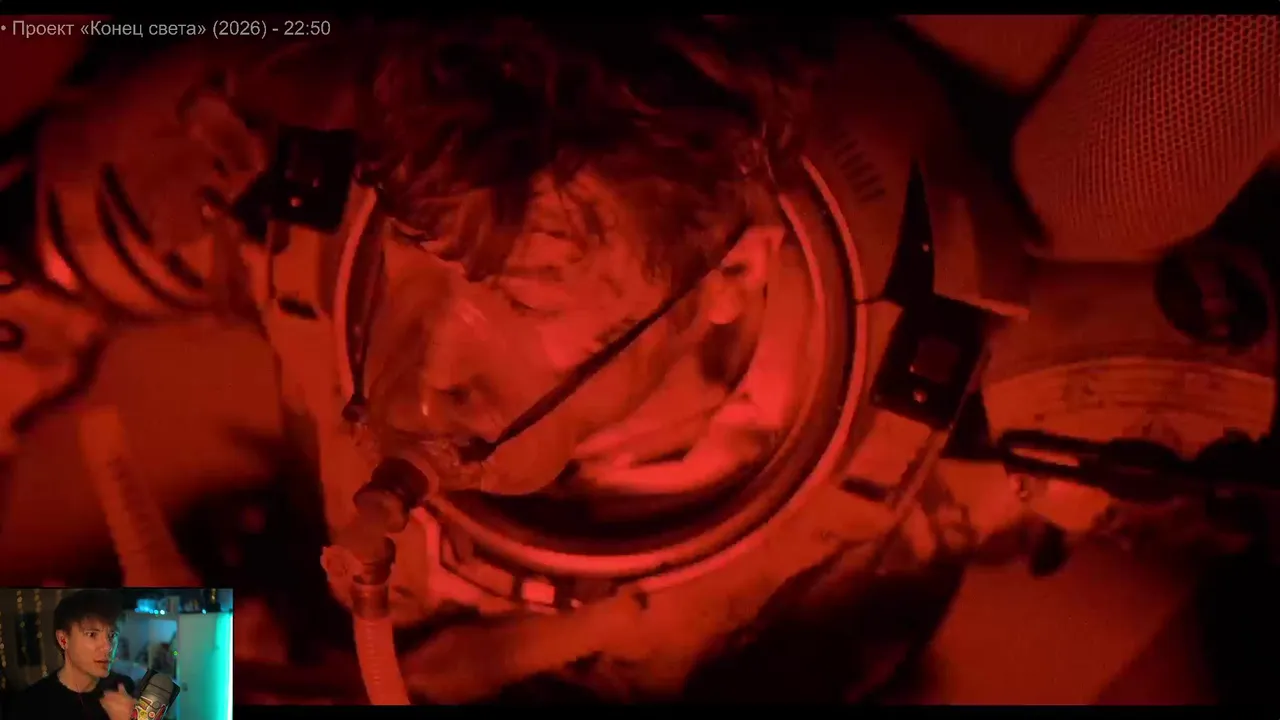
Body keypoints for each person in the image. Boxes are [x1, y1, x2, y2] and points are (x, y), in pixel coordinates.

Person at [10, 590, 136, 720]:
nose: (108, 647)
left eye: (112, 635)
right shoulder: (32, 704)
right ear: (63, 640)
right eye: (92, 634)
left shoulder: (124, 690)